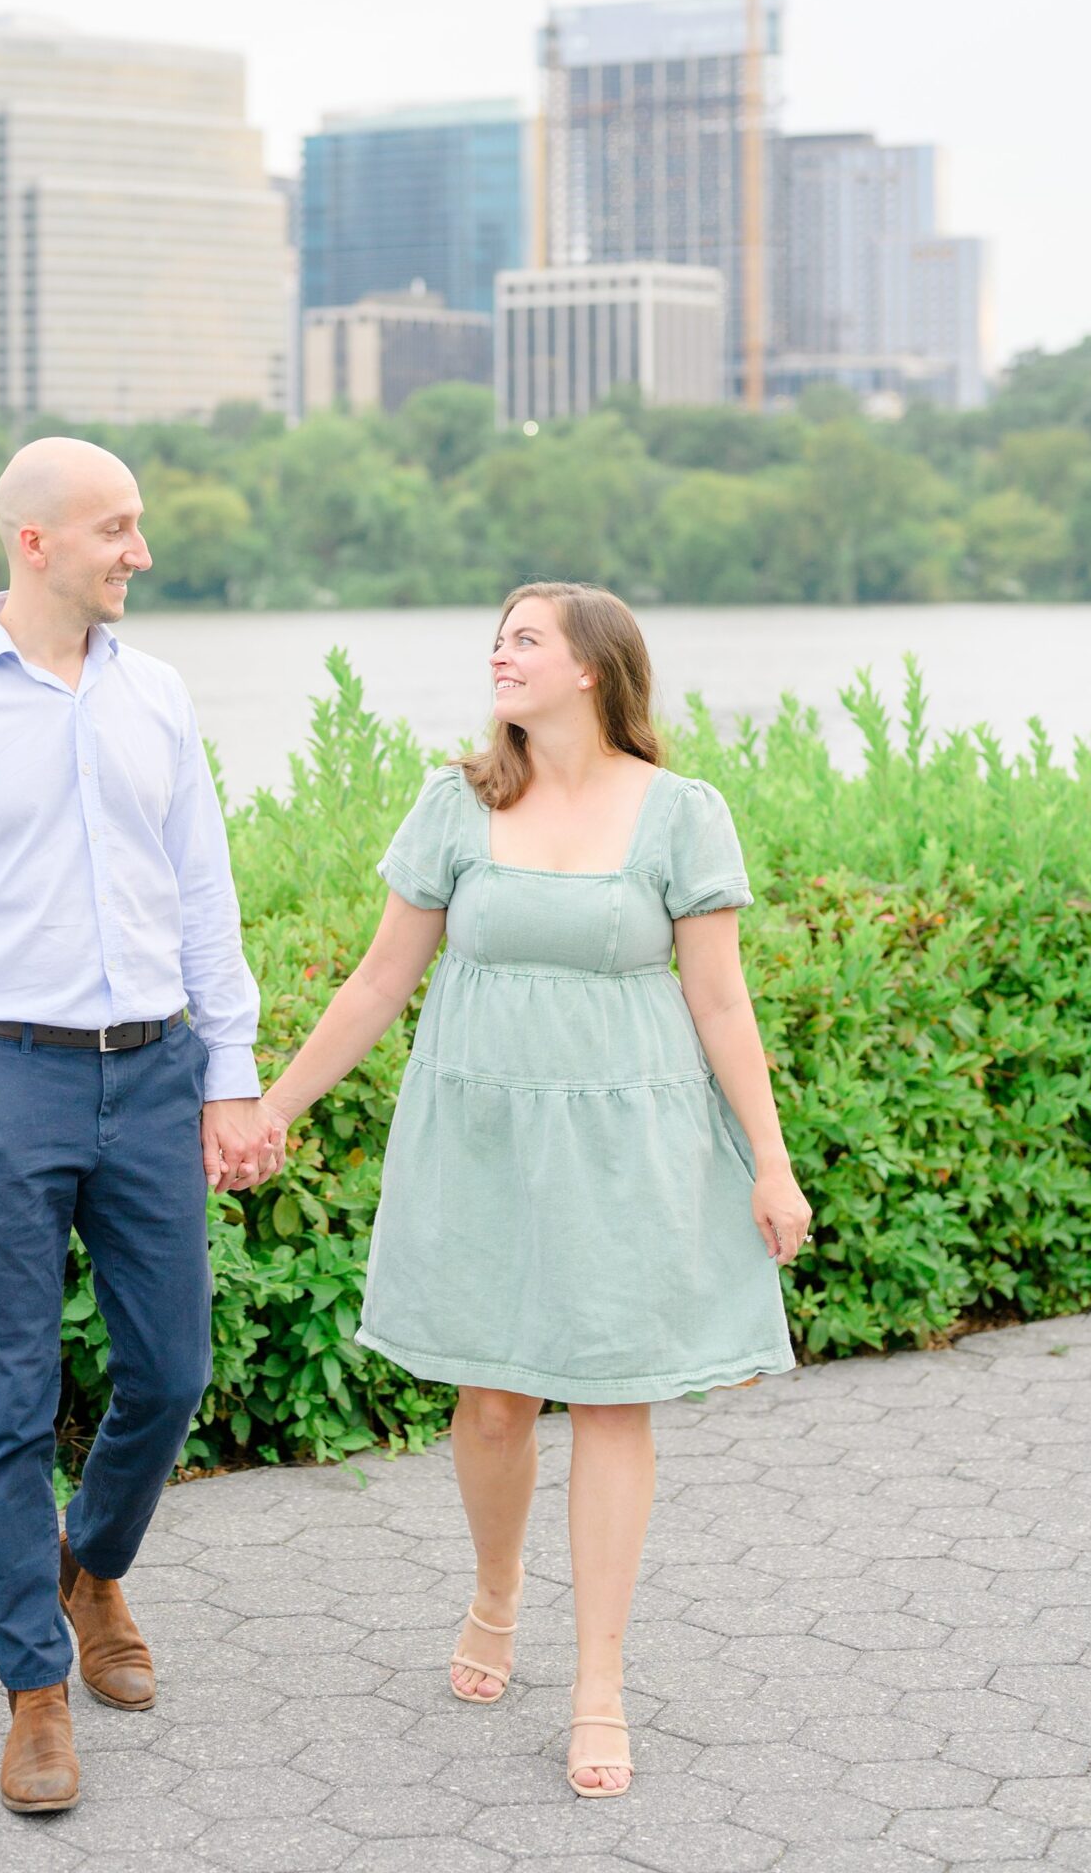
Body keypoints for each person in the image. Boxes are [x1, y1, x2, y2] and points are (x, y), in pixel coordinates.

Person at [256, 581, 810, 1800]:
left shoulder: (680, 813)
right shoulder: (458, 799)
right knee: (495, 1403)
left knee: (613, 1401)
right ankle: (495, 1595)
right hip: (481, 1132)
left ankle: (597, 1684)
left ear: (591, 670)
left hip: (630, 1138)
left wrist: (769, 1161)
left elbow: (720, 1001)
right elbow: (373, 982)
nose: (497, 655)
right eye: (494, 638)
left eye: (524, 640)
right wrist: (273, 1105)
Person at [0, 437, 282, 1814]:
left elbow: (199, 893)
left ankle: (91, 1566)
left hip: (153, 1076)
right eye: (114, 529)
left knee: (171, 1373)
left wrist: (231, 1071)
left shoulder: (155, 694)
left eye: (135, 526)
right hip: (5, 1083)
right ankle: (35, 1689)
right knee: (10, 1408)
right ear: (34, 542)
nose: (136, 552)